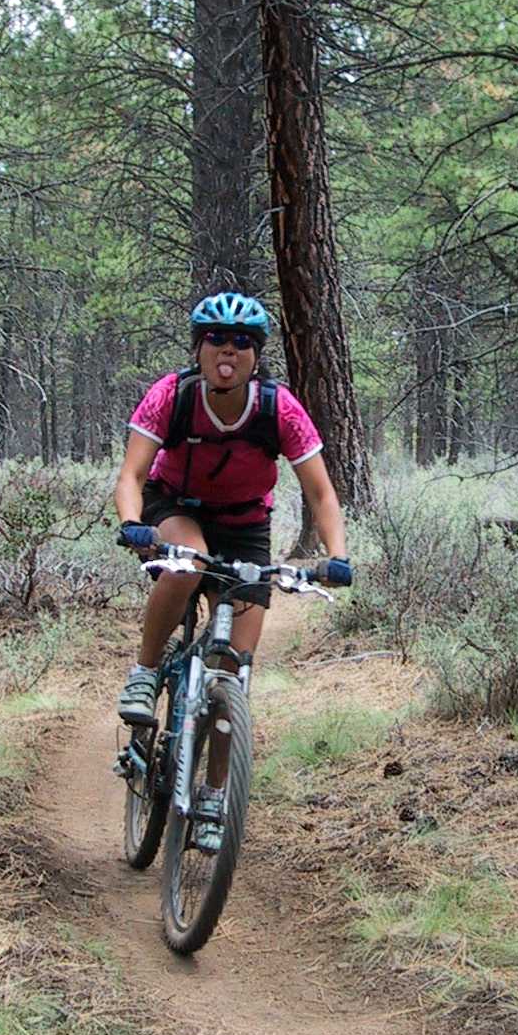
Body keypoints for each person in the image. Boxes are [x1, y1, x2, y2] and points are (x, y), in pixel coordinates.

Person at [113, 292, 353, 781]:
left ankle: (217, 796)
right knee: (191, 561)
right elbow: (132, 475)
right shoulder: (173, 395)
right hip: (175, 506)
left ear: (256, 356)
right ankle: (145, 673)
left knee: (232, 672)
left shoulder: (278, 409)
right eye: (216, 339)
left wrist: (338, 556)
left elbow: (321, 492)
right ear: (199, 349)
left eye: (242, 341)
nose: (229, 350)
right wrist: (132, 523)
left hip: (245, 525)